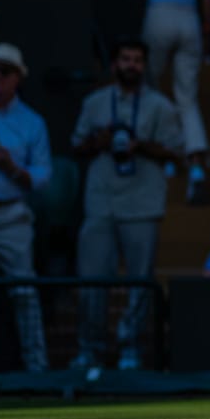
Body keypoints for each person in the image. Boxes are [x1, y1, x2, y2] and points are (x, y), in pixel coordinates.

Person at [70, 38, 182, 371]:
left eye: (136, 60)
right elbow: (76, 146)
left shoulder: (160, 106)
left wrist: (141, 145)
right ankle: (90, 349)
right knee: (92, 279)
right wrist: (98, 141)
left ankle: (130, 348)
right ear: (115, 64)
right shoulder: (95, 103)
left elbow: (176, 151)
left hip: (142, 202)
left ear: (144, 65)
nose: (130, 65)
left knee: (138, 280)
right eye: (125, 59)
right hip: (101, 200)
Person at [93, 0, 210, 202]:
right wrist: (206, 30)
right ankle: (196, 164)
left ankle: (169, 156)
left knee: (152, 89)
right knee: (188, 96)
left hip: (158, 17)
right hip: (189, 22)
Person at [0, 43, 50, 372]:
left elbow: (44, 175)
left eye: (5, 71)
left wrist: (13, 169)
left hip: (10, 214)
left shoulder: (32, 123)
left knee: (24, 291)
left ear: (18, 77)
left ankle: (37, 367)